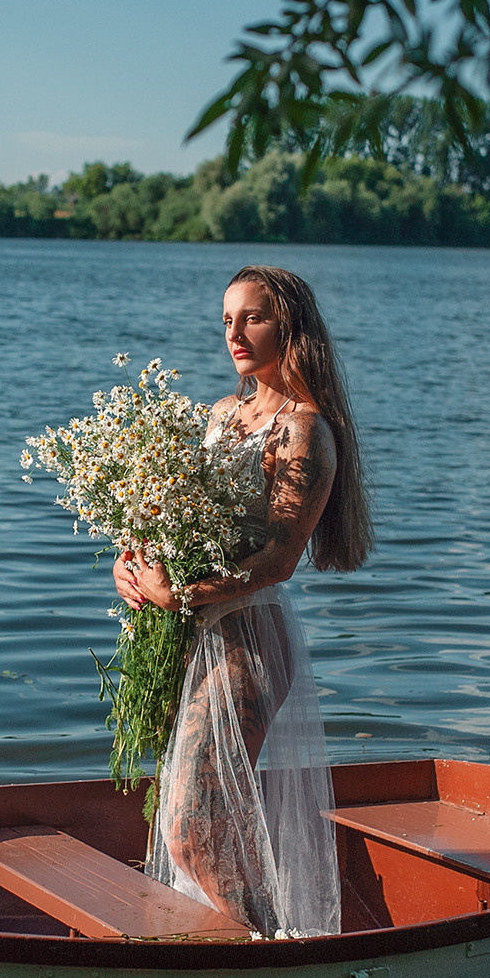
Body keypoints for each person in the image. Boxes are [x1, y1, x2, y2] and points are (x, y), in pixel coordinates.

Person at [113, 265, 374, 936]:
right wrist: (138, 566)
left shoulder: (305, 431)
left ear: (290, 326)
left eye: (251, 317)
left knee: (190, 829)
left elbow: (279, 560)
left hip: (249, 641)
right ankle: (241, 947)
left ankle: (268, 953)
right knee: (198, 823)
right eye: (226, 318)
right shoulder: (223, 415)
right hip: (195, 632)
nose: (234, 332)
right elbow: (180, 522)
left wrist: (183, 594)